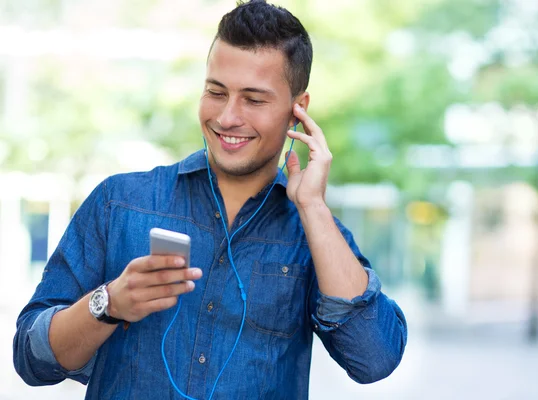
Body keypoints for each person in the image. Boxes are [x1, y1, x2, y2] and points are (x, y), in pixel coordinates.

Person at [13, 1, 407, 399]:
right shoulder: (119, 203)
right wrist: (109, 303)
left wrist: (313, 208)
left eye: (254, 100)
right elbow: (31, 358)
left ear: (297, 110)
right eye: (216, 92)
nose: (227, 117)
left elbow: (373, 359)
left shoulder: (316, 235)